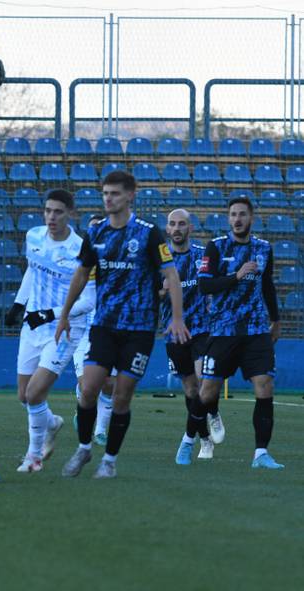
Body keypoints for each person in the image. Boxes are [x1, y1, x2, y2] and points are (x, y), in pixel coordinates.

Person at [56, 171, 190, 479]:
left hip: (139, 330)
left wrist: (178, 318)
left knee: (121, 395)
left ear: (130, 195)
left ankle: (110, 460)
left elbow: (171, 275)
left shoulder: (149, 234)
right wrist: (64, 315)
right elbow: (80, 274)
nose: (108, 198)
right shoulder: (97, 232)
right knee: (88, 389)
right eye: (105, 193)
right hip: (104, 325)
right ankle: (84, 448)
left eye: (115, 193)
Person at [4, 189, 95, 472]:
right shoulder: (33, 236)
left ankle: (33, 457)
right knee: (24, 395)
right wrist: (19, 304)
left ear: (71, 214)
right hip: (33, 325)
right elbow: (33, 270)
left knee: (34, 393)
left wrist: (53, 314)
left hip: (64, 329)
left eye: (58, 212)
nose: (51, 217)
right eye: (47, 211)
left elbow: (89, 300)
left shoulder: (82, 249)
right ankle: (52, 423)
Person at [191, 197, 283, 469]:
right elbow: (205, 286)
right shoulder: (217, 247)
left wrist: (275, 320)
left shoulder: (264, 249)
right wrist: (237, 276)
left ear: (251, 218)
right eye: (233, 214)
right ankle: (190, 438)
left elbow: (267, 286)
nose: (238, 219)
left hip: (256, 330)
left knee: (265, 385)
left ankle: (261, 454)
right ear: (228, 218)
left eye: (242, 214)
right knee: (207, 392)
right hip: (223, 331)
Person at [161, 210, 219, 465]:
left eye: (181, 224)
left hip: (201, 329)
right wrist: (160, 291)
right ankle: (204, 438)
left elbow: (212, 286)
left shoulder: (201, 256)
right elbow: (150, 294)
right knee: (190, 388)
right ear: (167, 228)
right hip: (174, 332)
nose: (177, 228)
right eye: (173, 224)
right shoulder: (160, 260)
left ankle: (208, 418)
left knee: (204, 381)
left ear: (190, 228)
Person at [71, 214, 114, 446]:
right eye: (92, 229)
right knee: (86, 385)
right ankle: (82, 410)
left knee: (109, 384)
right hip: (83, 334)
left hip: (109, 331)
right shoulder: (79, 263)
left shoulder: (115, 261)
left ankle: (100, 430)